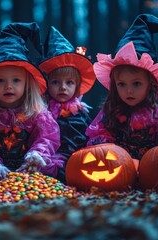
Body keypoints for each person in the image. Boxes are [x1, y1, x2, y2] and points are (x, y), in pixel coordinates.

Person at [86, 14, 158, 161]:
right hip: (119, 172)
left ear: (150, 84)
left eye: (137, 83)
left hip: (154, 175)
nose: (129, 90)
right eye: (122, 84)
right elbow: (99, 137)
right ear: (114, 85)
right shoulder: (109, 116)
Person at [0, 22, 63, 180]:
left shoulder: (36, 111)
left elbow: (48, 136)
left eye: (16, 80)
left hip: (30, 170)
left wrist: (36, 154)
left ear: (27, 84)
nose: (8, 86)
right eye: (0, 81)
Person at [39, 26, 96, 183]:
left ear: (77, 87)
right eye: (56, 82)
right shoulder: (41, 112)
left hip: (80, 160)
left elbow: (91, 137)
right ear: (47, 84)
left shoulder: (81, 113)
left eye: (69, 82)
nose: (63, 87)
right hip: (50, 161)